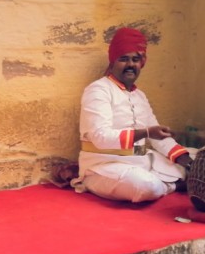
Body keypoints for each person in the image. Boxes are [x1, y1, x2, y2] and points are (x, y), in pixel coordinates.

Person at [71, 27, 194, 203]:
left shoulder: (139, 96)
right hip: (103, 167)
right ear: (113, 62)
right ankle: (173, 185)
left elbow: (159, 139)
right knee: (145, 186)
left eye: (135, 59)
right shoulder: (98, 90)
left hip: (141, 161)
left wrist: (189, 163)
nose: (131, 65)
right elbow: (100, 137)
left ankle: (174, 179)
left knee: (199, 157)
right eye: (124, 59)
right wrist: (146, 133)